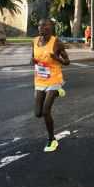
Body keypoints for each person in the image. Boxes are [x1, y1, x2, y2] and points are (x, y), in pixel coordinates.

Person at [32, 18, 70, 152]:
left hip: (54, 79)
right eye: (39, 25)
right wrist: (33, 61)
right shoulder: (35, 41)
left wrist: (57, 58)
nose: (41, 27)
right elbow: (34, 58)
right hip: (39, 80)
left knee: (45, 111)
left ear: (51, 27)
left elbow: (67, 61)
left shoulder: (57, 42)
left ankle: (51, 139)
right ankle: (58, 92)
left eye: (44, 25)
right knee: (38, 113)